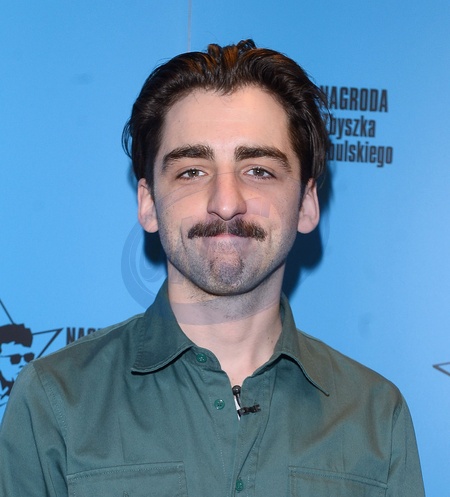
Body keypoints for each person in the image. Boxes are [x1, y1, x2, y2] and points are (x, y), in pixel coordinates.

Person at [0, 40, 424, 496]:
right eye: (192, 171)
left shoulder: (376, 417)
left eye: (258, 170)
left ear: (306, 203)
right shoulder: (55, 401)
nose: (225, 202)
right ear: (148, 203)